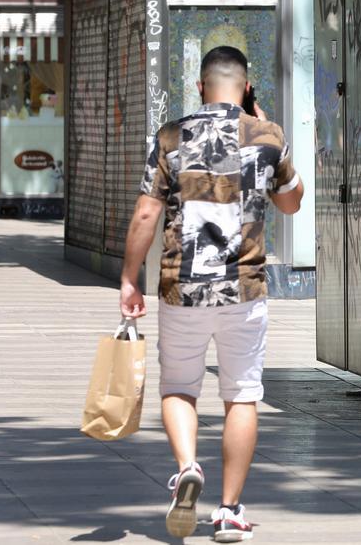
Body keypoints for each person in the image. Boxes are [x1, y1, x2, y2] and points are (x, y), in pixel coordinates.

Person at [120, 46, 304, 542]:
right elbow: (292, 202)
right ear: (246, 87)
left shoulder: (171, 137)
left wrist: (129, 278)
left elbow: (144, 215)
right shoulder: (267, 136)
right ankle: (229, 510)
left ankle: (186, 468)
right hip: (244, 291)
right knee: (241, 395)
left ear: (200, 87)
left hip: (182, 289)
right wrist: (266, 134)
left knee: (179, 386)